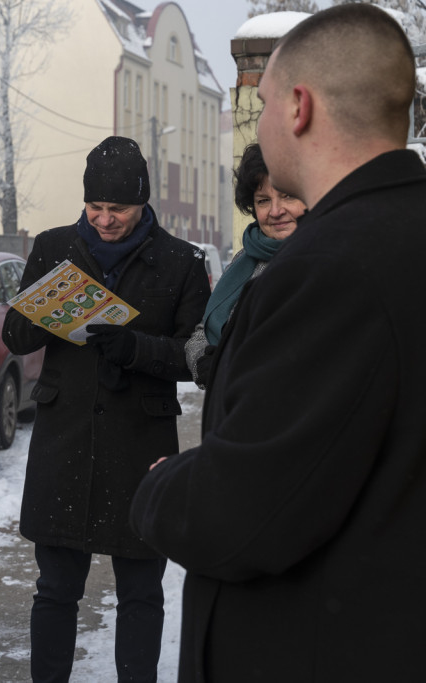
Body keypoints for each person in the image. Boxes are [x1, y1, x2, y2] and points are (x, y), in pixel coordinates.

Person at [129, 5, 426, 681]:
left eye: (261, 107)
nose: (257, 128)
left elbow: (250, 510)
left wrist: (161, 490)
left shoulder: (336, 265)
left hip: (320, 643)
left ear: (299, 107)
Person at [1, 135, 209, 683]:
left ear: (142, 203)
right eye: (95, 207)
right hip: (63, 440)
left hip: (141, 446)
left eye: (117, 209)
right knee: (55, 589)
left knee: (141, 591)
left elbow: (196, 356)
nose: (104, 219)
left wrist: (135, 346)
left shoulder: (181, 261)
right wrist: (49, 308)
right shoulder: (53, 247)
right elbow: (15, 337)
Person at [184, 143, 305, 387]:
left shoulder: (329, 258)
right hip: (233, 411)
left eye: (287, 195)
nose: (275, 211)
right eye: (262, 200)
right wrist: (202, 362)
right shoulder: (245, 258)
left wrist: (236, 364)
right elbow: (201, 332)